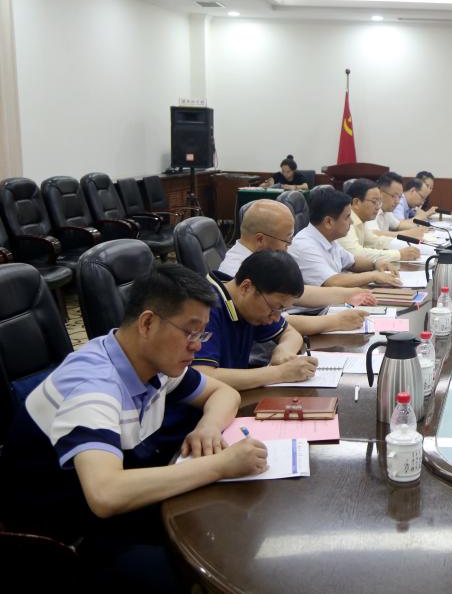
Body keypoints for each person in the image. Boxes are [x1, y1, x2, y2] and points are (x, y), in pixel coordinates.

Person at [0, 264, 266, 590]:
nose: (197, 346)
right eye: (190, 332)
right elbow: (106, 494)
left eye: (202, 334)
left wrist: (208, 427)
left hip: (113, 508)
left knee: (223, 522)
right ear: (148, 323)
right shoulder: (93, 387)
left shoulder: (149, 360)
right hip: (63, 539)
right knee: (201, 563)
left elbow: (224, 393)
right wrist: (221, 465)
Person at [218, 199, 374, 334]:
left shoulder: (264, 261)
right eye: (287, 241)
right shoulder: (236, 273)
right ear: (260, 239)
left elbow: (302, 294)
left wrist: (351, 293)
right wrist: (337, 321)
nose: (289, 247)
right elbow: (278, 322)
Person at [190, 250, 319, 391]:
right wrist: (280, 373)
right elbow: (201, 375)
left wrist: (284, 351)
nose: (276, 317)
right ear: (246, 287)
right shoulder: (204, 307)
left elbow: (290, 333)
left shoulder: (247, 304)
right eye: (275, 308)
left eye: (282, 310)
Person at [288, 187, 404, 288]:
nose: (351, 222)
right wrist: (373, 276)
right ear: (328, 222)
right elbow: (333, 282)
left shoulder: (328, 239)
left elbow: (352, 262)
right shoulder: (304, 245)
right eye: (347, 217)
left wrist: (376, 264)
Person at [341, 179, 420, 263]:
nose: (378, 207)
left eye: (379, 202)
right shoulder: (345, 220)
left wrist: (409, 246)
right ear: (357, 202)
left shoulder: (360, 220)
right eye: (374, 202)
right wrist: (398, 254)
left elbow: (376, 241)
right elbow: (355, 254)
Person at [370, 172, 429, 239]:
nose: (397, 202)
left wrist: (419, 229)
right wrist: (408, 233)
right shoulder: (371, 208)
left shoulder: (386, 211)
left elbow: (398, 225)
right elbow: (374, 234)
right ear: (380, 192)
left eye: (399, 197)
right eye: (394, 196)